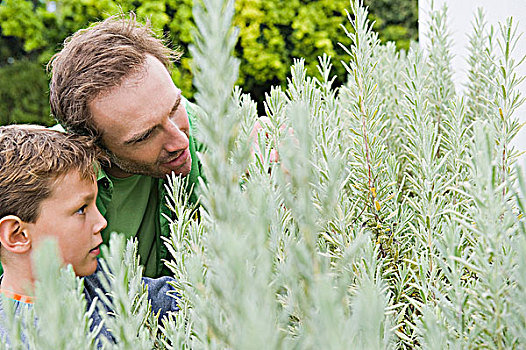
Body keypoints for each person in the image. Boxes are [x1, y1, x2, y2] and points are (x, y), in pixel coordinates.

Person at [48, 14, 206, 278]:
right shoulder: (37, 185)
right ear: (95, 149)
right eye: (145, 136)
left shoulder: (210, 133)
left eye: (176, 108)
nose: (180, 140)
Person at [0, 125, 178, 346]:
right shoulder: (14, 337)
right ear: (17, 235)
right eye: (81, 209)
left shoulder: (99, 283)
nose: (101, 222)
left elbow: (180, 300)